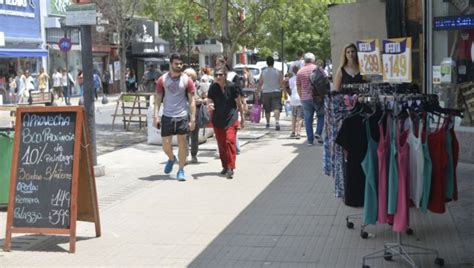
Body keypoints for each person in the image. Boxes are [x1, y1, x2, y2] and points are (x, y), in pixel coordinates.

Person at [153, 53, 196, 181]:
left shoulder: (187, 80)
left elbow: (192, 100)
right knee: (166, 145)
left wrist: (192, 118)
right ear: (171, 64)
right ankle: (172, 158)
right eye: (176, 63)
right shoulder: (162, 79)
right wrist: (156, 116)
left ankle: (181, 170)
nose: (179, 66)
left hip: (182, 116)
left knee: (182, 143)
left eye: (181, 64)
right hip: (167, 116)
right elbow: (158, 98)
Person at [207, 66, 245, 179]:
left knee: (229, 141)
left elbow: (238, 103)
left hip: (231, 118)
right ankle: (225, 165)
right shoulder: (213, 87)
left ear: (225, 75)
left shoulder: (232, 87)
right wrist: (209, 105)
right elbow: (209, 100)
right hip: (218, 118)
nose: (218, 77)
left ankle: (230, 167)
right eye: (216, 75)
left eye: (220, 74)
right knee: (221, 144)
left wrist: (242, 117)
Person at [296, 52, 325, 145]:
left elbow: (298, 85)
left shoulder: (300, 71)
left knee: (308, 119)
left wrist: (301, 96)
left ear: (305, 60)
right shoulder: (319, 69)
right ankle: (318, 132)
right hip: (318, 97)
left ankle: (310, 140)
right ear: (313, 60)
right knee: (321, 115)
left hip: (305, 98)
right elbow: (325, 81)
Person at [256, 56, 284, 130]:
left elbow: (260, 83)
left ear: (266, 63)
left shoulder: (263, 72)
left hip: (266, 92)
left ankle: (268, 123)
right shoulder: (278, 71)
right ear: (273, 63)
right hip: (276, 91)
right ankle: (277, 122)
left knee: (267, 109)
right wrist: (284, 92)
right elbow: (281, 83)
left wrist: (257, 92)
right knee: (276, 107)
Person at [184, 68, 204, 164]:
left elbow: (206, 97)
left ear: (193, 76)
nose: (185, 76)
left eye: (188, 75)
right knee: (185, 135)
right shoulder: (182, 86)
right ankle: (185, 155)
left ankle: (194, 155)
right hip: (184, 112)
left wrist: (201, 100)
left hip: (196, 112)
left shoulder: (199, 86)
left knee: (194, 136)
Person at [288, 65, 303, 139]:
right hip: (300, 98)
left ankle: (293, 132)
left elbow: (291, 88)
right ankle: (298, 133)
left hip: (293, 99)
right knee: (299, 117)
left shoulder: (291, 79)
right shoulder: (301, 78)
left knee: (293, 116)